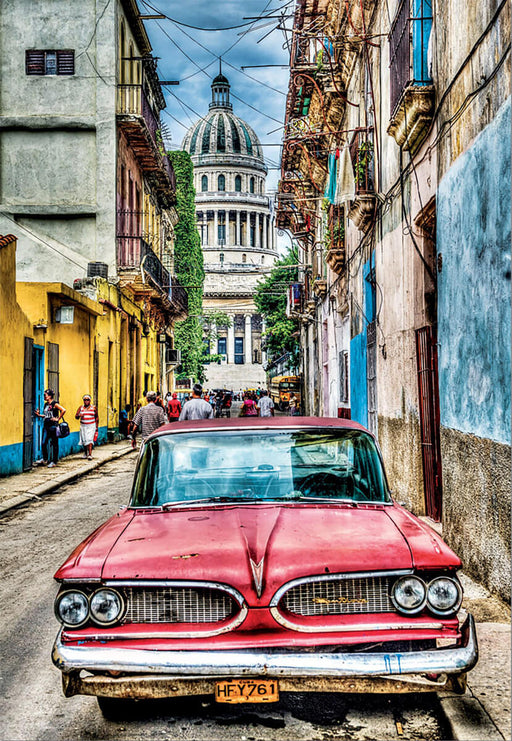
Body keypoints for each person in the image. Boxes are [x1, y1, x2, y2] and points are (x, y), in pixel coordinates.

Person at [35, 389, 66, 467]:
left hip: (53, 426)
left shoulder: (54, 404)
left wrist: (58, 418)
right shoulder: (46, 405)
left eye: (45, 395)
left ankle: (54, 461)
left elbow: (63, 410)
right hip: (46, 426)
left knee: (54, 444)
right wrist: (39, 415)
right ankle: (45, 459)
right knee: (43, 443)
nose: (44, 397)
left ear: (49, 396)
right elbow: (47, 415)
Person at [75, 394, 99, 460]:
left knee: (89, 439)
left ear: (90, 400)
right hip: (83, 426)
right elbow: (76, 416)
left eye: (87, 400)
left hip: (91, 425)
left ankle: (90, 454)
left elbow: (96, 417)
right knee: (84, 440)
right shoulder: (81, 407)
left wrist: (96, 427)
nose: (86, 401)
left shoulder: (93, 408)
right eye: (85, 400)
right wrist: (79, 415)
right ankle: (85, 453)